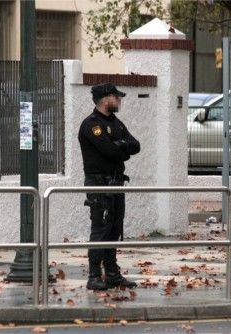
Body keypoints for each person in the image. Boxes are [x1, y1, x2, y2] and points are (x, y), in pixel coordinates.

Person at [78, 83, 140, 290]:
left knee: (114, 228)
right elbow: (109, 151)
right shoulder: (91, 124)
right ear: (105, 99)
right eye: (116, 96)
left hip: (116, 181)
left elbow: (135, 145)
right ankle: (94, 275)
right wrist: (121, 147)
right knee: (100, 229)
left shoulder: (116, 123)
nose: (119, 99)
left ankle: (112, 274)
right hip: (99, 182)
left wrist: (120, 145)